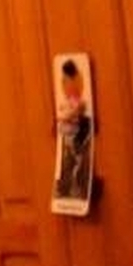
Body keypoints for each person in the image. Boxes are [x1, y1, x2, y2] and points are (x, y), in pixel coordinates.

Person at [54, 58, 92, 200]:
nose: (70, 86)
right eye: (66, 83)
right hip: (67, 136)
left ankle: (77, 187)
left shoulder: (80, 103)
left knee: (78, 160)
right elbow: (63, 116)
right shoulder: (65, 102)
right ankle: (66, 188)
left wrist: (69, 115)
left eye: (73, 82)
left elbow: (78, 111)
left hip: (76, 134)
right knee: (68, 162)